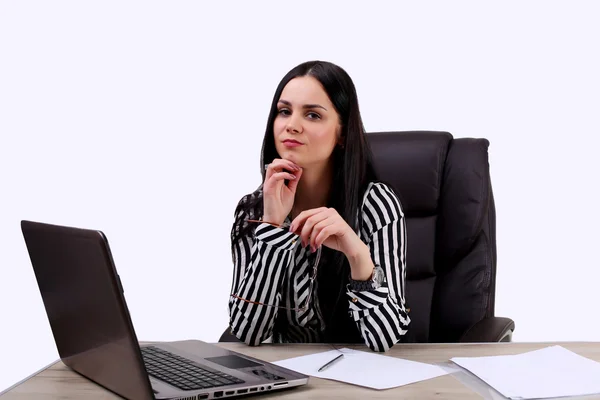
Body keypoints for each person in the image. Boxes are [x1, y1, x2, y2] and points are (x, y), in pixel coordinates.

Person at [227, 60, 410, 352]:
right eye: (284, 111)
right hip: (286, 377)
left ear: (342, 134)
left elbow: (383, 339)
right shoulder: (252, 209)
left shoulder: (376, 204)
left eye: (312, 115)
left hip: (360, 378)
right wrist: (272, 227)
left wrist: (357, 253)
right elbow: (248, 332)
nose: (291, 125)